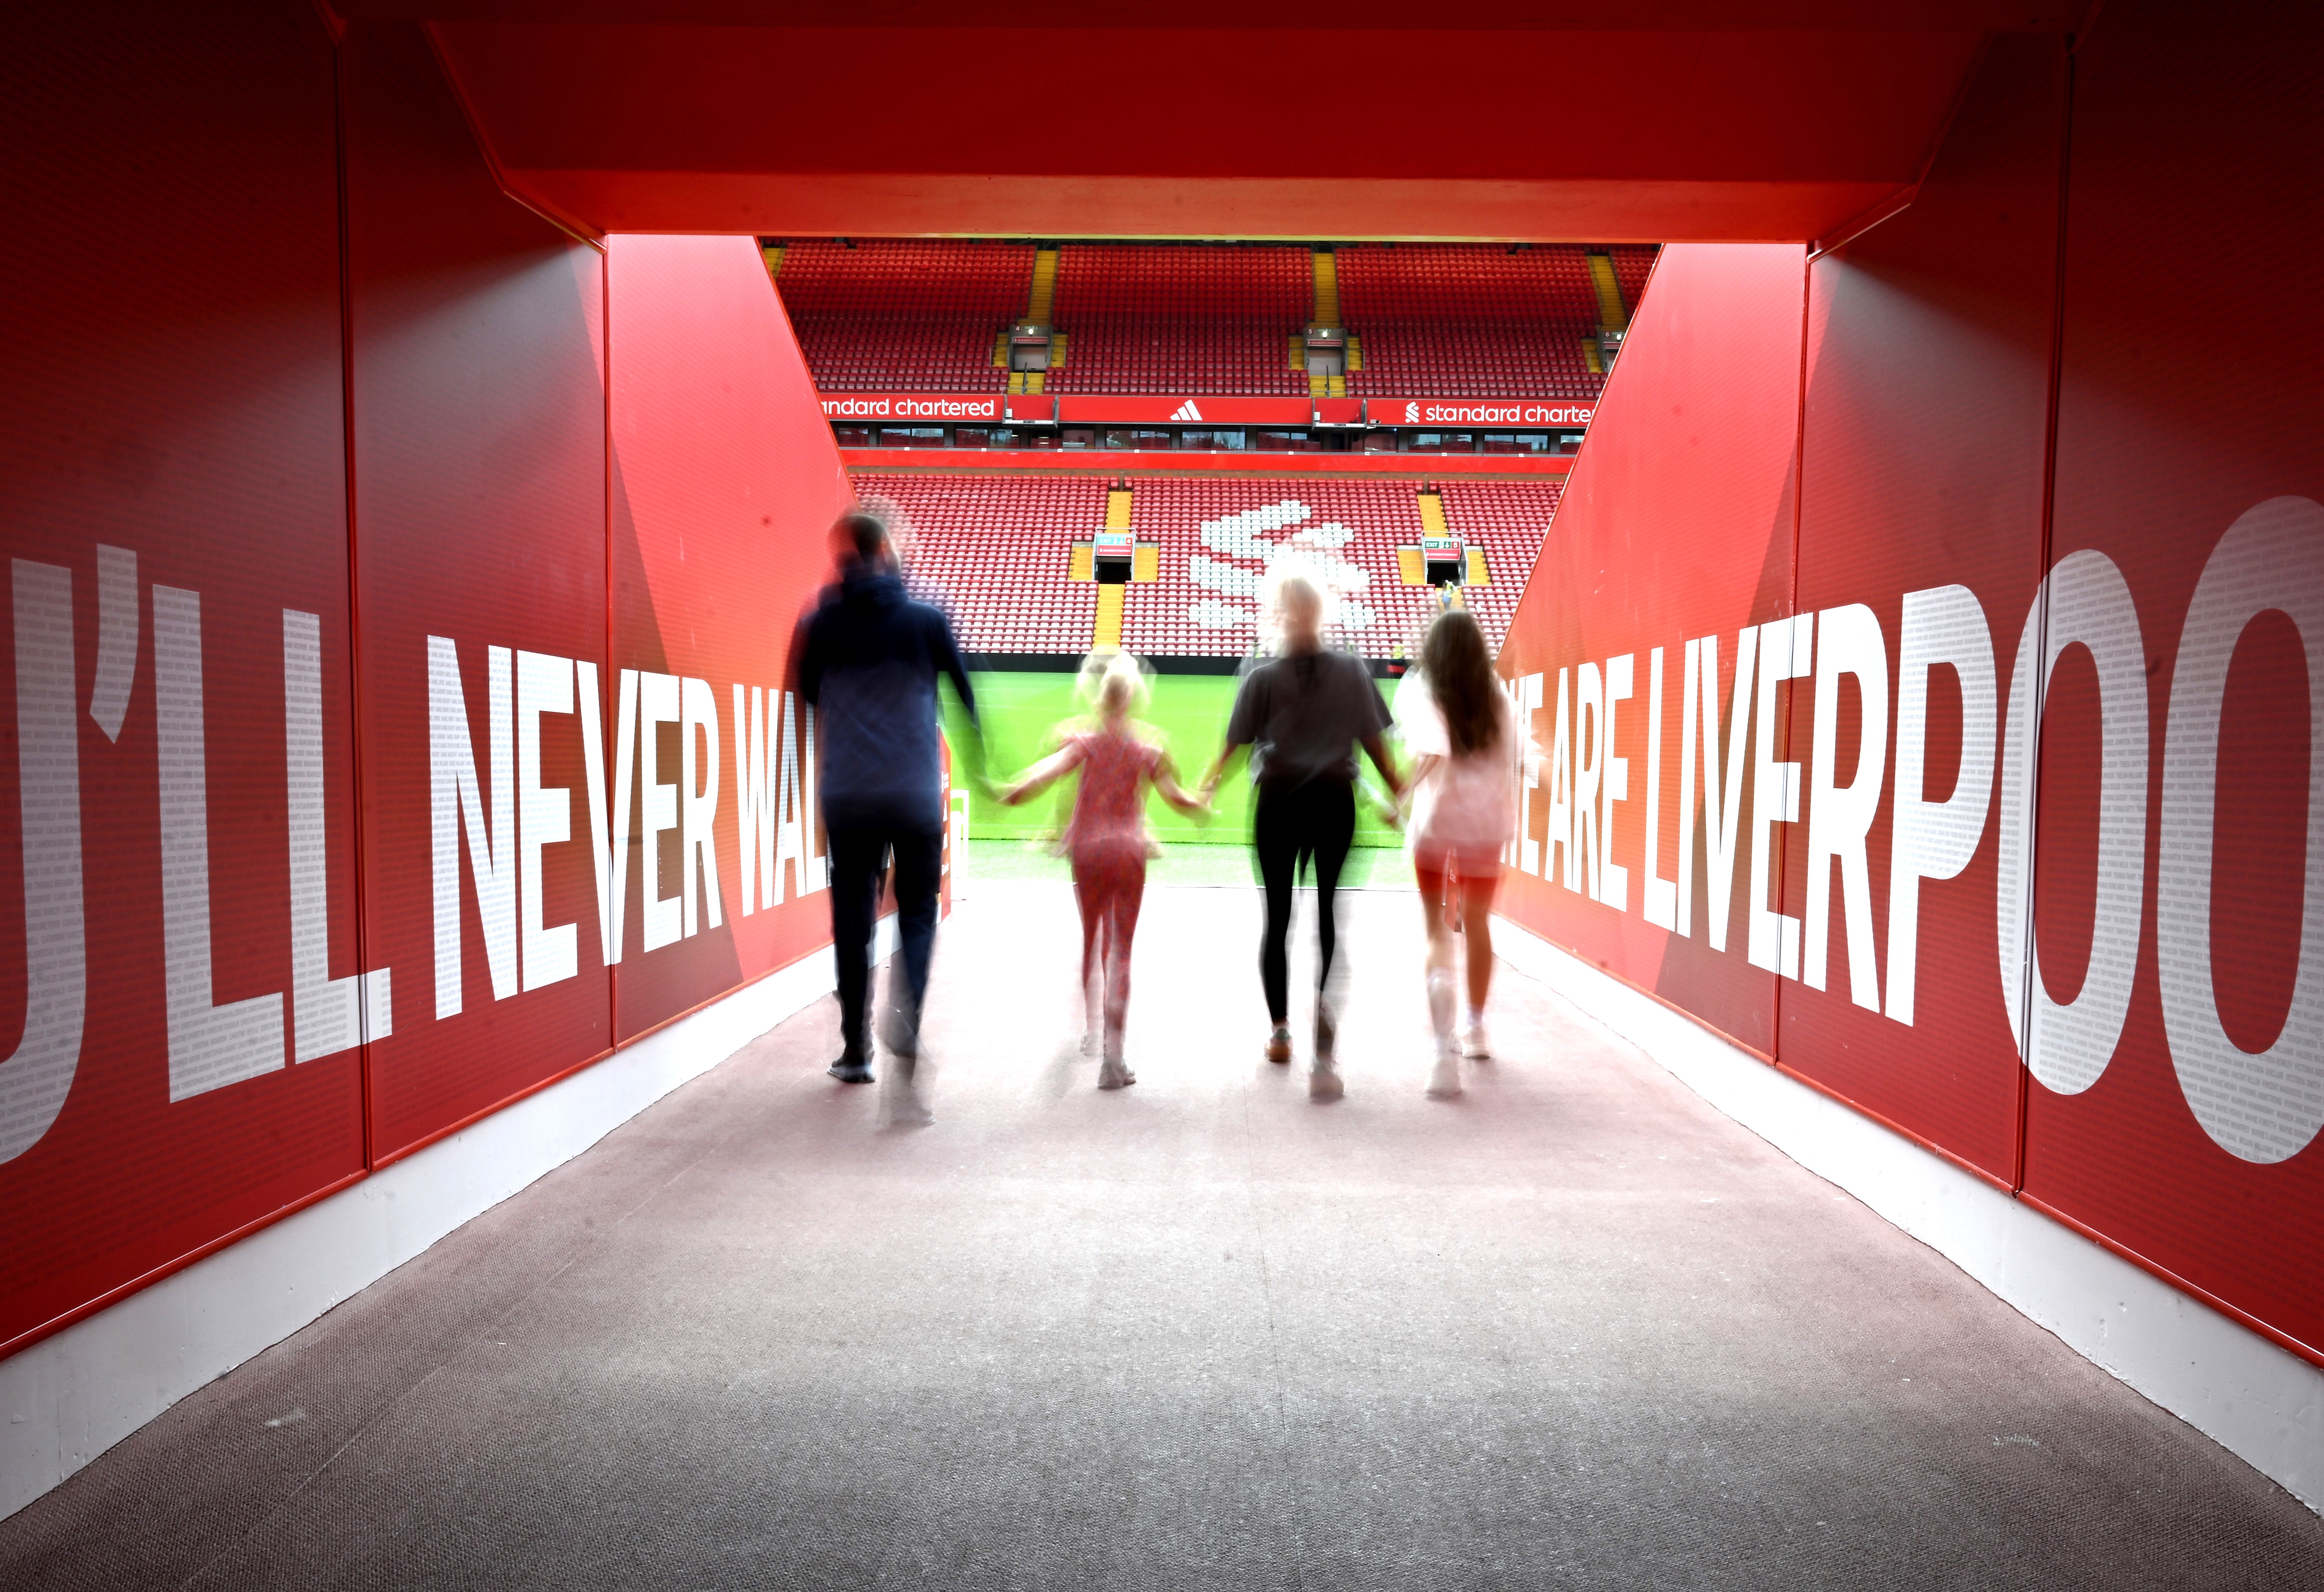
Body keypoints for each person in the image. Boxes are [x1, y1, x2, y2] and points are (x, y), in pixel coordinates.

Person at [796, 509, 982, 1125]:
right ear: (888, 552)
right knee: (919, 916)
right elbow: (965, 694)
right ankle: (904, 1024)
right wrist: (983, 767)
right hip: (913, 794)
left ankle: (856, 1048)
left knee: (852, 919)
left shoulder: (821, 621)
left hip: (847, 794)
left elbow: (807, 693)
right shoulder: (927, 618)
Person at [1201, 571, 1402, 1101]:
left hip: (1279, 804)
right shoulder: (1353, 671)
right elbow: (1377, 747)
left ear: (1280, 613)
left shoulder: (1262, 677)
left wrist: (1205, 787)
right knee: (1329, 916)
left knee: (1278, 919)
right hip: (1334, 802)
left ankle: (1281, 1031)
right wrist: (1401, 792)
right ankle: (1322, 1047)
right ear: (1321, 613)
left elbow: (1232, 750)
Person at [996, 652, 1206, 1089]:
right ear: (1133, 698)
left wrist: (1013, 792)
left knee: (1092, 937)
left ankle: (1092, 1031)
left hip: (1087, 851)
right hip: (1129, 851)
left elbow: (1044, 776)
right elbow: (1178, 800)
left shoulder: (1081, 740)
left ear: (1099, 698)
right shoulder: (1150, 746)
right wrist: (1202, 802)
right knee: (1122, 951)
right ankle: (1115, 1058)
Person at [1394, 608, 1523, 1099]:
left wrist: (1402, 794)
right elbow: (1518, 752)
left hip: (1437, 822)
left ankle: (1439, 1052)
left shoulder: (1420, 686)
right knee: (1477, 922)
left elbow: (1432, 750)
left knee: (1435, 931)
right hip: (1487, 821)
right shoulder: (1496, 691)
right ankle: (1475, 1028)